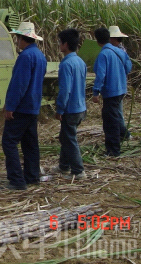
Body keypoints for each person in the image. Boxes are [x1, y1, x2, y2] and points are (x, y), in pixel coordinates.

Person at [2, 22, 47, 190]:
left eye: (17, 38)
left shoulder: (25, 57)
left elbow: (19, 84)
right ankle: (32, 176)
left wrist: (10, 106)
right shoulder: (40, 56)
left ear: (22, 38)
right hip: (33, 106)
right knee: (30, 143)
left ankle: (16, 180)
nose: (16, 41)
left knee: (9, 142)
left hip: (22, 107)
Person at [92, 27, 132, 157]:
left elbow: (101, 75)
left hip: (111, 91)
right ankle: (121, 139)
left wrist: (96, 92)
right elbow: (128, 67)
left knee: (110, 121)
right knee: (115, 116)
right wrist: (119, 75)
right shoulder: (119, 51)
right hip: (121, 89)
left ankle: (113, 150)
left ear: (97, 41)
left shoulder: (103, 54)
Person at [53, 28, 87, 180]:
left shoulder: (66, 64)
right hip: (80, 106)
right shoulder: (80, 62)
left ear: (65, 44)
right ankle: (63, 166)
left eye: (60, 42)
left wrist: (60, 109)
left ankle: (78, 171)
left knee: (69, 139)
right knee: (65, 136)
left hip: (70, 109)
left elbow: (65, 90)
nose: (59, 45)